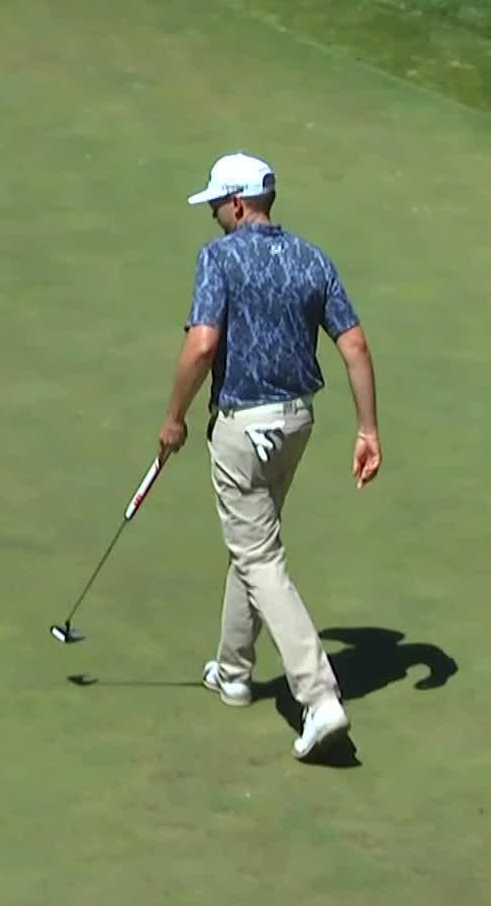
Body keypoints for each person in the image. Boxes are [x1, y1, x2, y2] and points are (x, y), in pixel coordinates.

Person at [157, 152, 381, 762]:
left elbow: (203, 346)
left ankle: (319, 697)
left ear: (237, 203)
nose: (213, 214)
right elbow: (355, 344)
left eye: (215, 204)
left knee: (258, 554)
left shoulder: (219, 258)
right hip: (296, 423)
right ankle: (233, 671)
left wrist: (174, 417)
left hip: (242, 428)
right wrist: (368, 429)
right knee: (253, 541)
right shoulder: (312, 257)